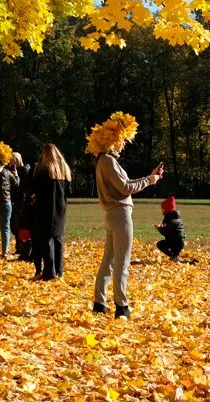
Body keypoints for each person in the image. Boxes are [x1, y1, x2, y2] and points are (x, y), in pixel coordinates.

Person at [89, 112, 163, 319]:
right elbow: (124, 187)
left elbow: (123, 185)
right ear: (113, 141)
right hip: (120, 214)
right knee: (121, 261)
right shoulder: (108, 161)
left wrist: (150, 177)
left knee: (110, 260)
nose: (124, 145)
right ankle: (121, 305)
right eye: (122, 141)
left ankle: (99, 302)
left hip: (113, 214)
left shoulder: (105, 161)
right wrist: (149, 180)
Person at [31, 143, 71, 281]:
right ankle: (59, 271)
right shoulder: (63, 170)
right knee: (58, 239)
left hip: (45, 207)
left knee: (46, 239)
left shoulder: (44, 171)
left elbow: (36, 189)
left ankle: (49, 271)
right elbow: (69, 190)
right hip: (60, 207)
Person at [155, 196, 185, 261]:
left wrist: (159, 228)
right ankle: (175, 256)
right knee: (173, 249)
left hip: (174, 242)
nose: (161, 210)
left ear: (166, 209)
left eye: (162, 208)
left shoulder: (168, 219)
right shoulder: (176, 217)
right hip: (180, 241)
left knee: (160, 244)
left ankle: (174, 256)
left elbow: (165, 232)